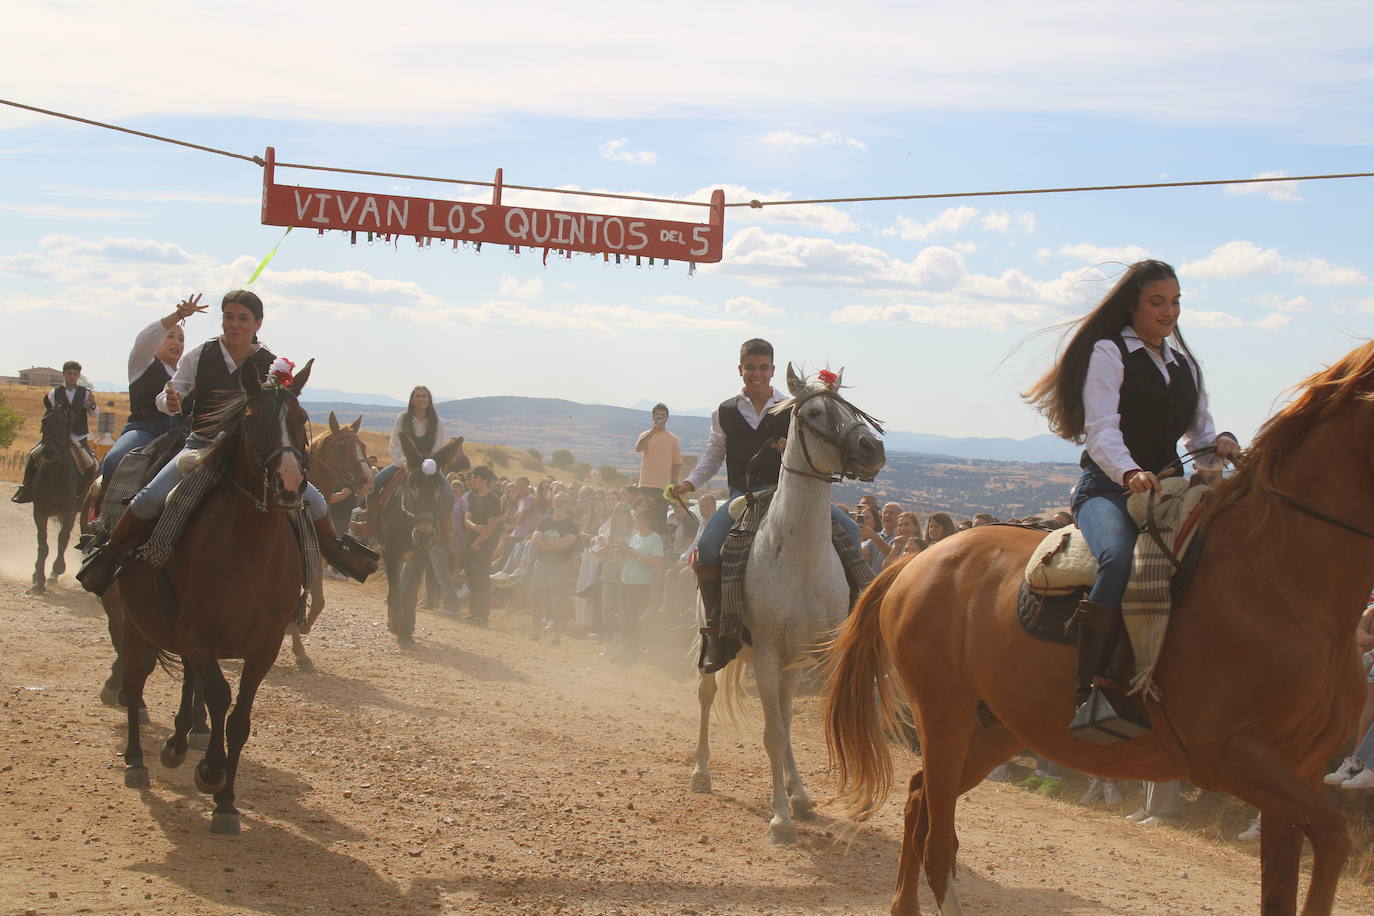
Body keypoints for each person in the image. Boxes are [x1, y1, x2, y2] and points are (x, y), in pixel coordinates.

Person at [1024, 259, 1239, 736]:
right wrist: (1130, 472)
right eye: (1158, 302)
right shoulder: (1109, 351)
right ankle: (1089, 692)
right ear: (1134, 305)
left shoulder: (1185, 365)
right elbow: (1101, 431)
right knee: (1118, 560)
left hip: (1167, 491)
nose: (1169, 311)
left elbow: (1199, 435)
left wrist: (1218, 443)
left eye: (1176, 301)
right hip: (1106, 489)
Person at [77, 289, 373, 595]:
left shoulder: (272, 364)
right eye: (229, 317)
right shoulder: (201, 355)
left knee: (316, 500)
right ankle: (109, 556)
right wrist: (170, 400)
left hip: (252, 453)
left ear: (257, 323)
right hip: (200, 447)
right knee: (150, 498)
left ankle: (336, 554)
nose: (234, 324)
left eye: (243, 318)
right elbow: (168, 396)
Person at [666, 338, 861, 673]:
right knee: (710, 546)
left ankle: (855, 626)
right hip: (742, 496)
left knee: (852, 530)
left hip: (787, 493)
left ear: (772, 370)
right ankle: (717, 632)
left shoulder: (792, 406)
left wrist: (788, 448)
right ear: (740, 369)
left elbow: (808, 449)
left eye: (763, 367)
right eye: (750, 367)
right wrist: (689, 483)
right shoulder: (724, 411)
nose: (756, 373)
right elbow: (714, 456)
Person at [100, 295, 207, 483]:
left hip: (183, 434)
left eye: (181, 339)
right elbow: (145, 338)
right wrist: (179, 315)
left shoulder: (187, 375)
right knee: (114, 460)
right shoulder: (142, 363)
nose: (177, 343)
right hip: (145, 430)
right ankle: (103, 509)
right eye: (170, 337)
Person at [14, 360, 99, 503]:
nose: (72, 376)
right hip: (56, 437)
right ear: (64, 374)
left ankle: (85, 496)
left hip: (78, 437)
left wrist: (93, 404)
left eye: (74, 374)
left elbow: (94, 415)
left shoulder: (86, 394)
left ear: (78, 375)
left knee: (92, 463)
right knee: (33, 455)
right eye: (69, 373)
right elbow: (49, 415)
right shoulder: (54, 393)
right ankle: (26, 489)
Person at [528, 492, 580, 643]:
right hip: (542, 564)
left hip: (561, 566)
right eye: (557, 501)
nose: (560, 504)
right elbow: (535, 541)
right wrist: (555, 544)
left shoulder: (572, 524)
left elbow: (566, 544)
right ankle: (536, 634)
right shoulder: (545, 521)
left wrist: (546, 542)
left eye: (564, 502)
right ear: (552, 503)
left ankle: (557, 637)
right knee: (537, 599)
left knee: (559, 602)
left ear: (569, 505)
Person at [617, 505, 663, 666]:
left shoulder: (655, 538)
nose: (635, 520)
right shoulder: (636, 536)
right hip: (626, 580)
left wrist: (635, 554)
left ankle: (633, 651)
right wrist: (624, 551)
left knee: (634, 617)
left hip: (640, 584)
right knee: (626, 616)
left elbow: (656, 562)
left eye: (638, 517)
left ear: (646, 521)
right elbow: (630, 557)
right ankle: (626, 648)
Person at [463, 465, 502, 625]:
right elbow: (466, 519)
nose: (472, 480)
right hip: (471, 541)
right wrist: (475, 527)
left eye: (476, 477)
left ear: (484, 480)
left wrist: (478, 541)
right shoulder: (473, 496)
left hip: (483, 545)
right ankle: (474, 612)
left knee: (481, 579)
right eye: (472, 477)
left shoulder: (493, 500)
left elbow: (490, 528)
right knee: (471, 577)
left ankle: (482, 615)